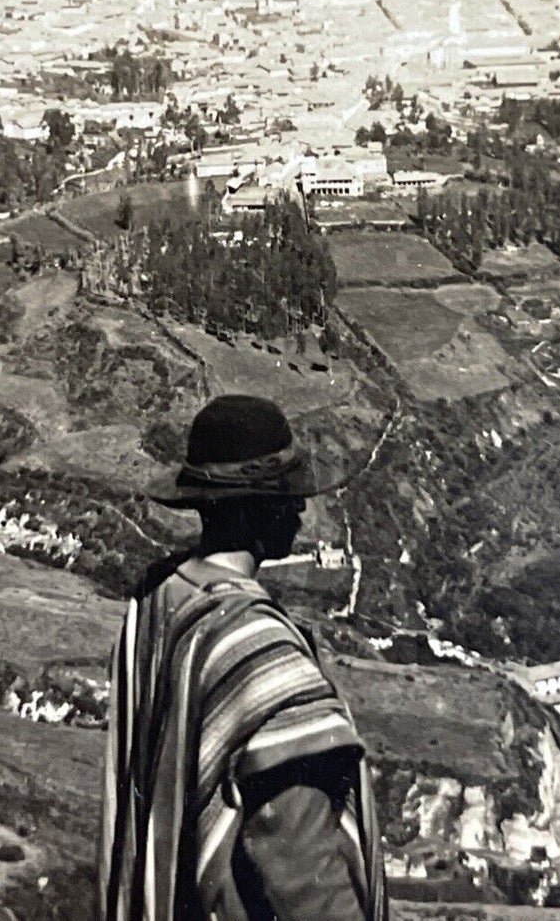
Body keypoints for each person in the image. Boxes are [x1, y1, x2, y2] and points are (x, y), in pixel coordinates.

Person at [99, 394, 387, 921]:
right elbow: (299, 862)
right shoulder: (258, 649)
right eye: (289, 496)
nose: (301, 509)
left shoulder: (156, 605)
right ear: (261, 508)